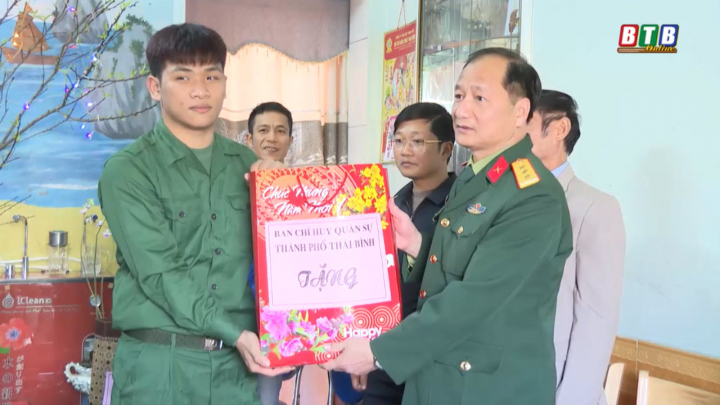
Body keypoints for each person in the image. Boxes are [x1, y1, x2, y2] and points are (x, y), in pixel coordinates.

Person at [321, 47, 573, 405]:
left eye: (479, 98)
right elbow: (455, 266)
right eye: (458, 95)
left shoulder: (532, 196)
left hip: (488, 390)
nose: (461, 110)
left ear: (520, 111)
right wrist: (416, 245)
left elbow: (475, 298)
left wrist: (376, 352)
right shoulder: (474, 179)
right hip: (436, 378)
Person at [98, 23, 291, 405]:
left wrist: (284, 194)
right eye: (183, 77)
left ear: (225, 84)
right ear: (155, 87)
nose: (200, 90)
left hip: (236, 371)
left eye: (211, 76)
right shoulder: (128, 171)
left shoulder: (250, 166)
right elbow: (161, 274)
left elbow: (286, 259)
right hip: (160, 368)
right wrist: (235, 333)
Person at [528, 90, 626, 405]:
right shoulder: (501, 198)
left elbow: (597, 318)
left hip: (552, 388)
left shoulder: (593, 207)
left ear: (559, 129)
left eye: (525, 121)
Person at [361, 102, 456, 404]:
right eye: (399, 141)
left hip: (433, 354)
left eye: (417, 141)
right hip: (383, 352)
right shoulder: (389, 203)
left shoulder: (459, 207)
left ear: (446, 149)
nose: (405, 151)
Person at [245, 101, 296, 405]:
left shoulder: (306, 191)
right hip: (230, 313)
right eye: (263, 130)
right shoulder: (231, 184)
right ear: (249, 139)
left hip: (276, 321)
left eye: (280, 131)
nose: (272, 138)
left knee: (266, 397)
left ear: (290, 140)